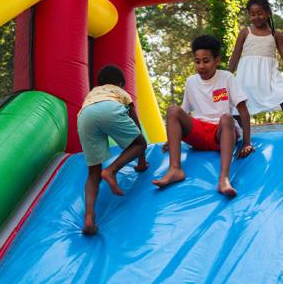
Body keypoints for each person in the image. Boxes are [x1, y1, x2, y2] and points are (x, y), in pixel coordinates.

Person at [152, 35, 253, 197]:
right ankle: (175, 169)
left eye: (206, 61)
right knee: (172, 110)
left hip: (220, 134)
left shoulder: (226, 77)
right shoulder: (191, 82)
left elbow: (243, 110)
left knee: (227, 117)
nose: (201, 66)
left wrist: (247, 142)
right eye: (197, 61)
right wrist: (171, 140)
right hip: (199, 134)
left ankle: (224, 179)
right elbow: (182, 113)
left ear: (217, 59)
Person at [77, 65, 149, 235]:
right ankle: (111, 171)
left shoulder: (92, 93)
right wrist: (141, 162)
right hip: (109, 109)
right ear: (119, 83)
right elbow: (136, 124)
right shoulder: (119, 92)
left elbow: (93, 111)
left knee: (93, 173)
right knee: (140, 143)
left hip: (84, 116)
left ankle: (88, 218)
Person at [229, 0, 283, 129]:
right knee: (238, 105)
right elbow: (236, 55)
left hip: (269, 75)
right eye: (253, 14)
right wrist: (228, 75)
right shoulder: (245, 32)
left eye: (260, 13)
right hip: (247, 76)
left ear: (268, 13)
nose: (256, 17)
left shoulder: (276, 34)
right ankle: (241, 136)